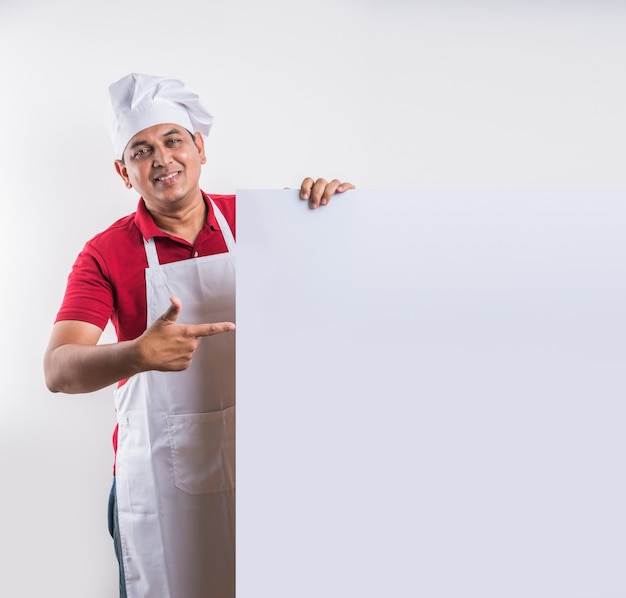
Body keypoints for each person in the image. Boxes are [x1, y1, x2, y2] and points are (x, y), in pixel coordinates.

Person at [43, 72, 354, 598]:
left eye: (172, 140)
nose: (161, 158)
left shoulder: (269, 220)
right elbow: (58, 370)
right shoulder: (104, 253)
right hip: (158, 478)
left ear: (200, 148)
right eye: (141, 150)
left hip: (272, 464)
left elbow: (345, 299)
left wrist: (342, 216)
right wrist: (136, 354)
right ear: (124, 172)